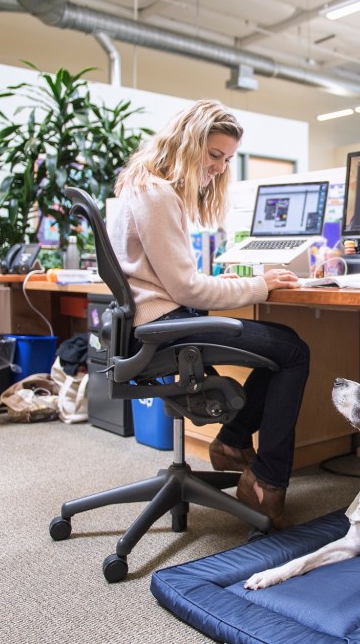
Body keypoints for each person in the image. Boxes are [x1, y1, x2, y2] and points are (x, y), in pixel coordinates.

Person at [109, 99, 308, 530]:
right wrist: (260, 285)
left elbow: (174, 279)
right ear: (186, 142)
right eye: (214, 155)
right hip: (167, 327)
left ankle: (234, 446)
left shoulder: (140, 186)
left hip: (157, 324)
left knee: (281, 350)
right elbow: (184, 288)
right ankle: (265, 480)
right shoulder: (157, 194)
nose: (220, 167)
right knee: (293, 350)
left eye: (228, 159)